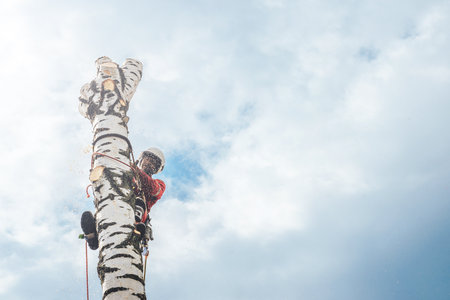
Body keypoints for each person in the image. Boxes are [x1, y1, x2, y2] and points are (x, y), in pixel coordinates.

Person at [81, 147, 166, 250]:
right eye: (147, 159)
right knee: (88, 216)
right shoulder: (130, 175)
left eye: (153, 163)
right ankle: (93, 236)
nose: (149, 163)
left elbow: (153, 188)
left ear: (156, 169)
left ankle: (135, 227)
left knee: (139, 201)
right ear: (142, 159)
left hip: (139, 213)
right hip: (118, 206)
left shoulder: (159, 184)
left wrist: (131, 167)